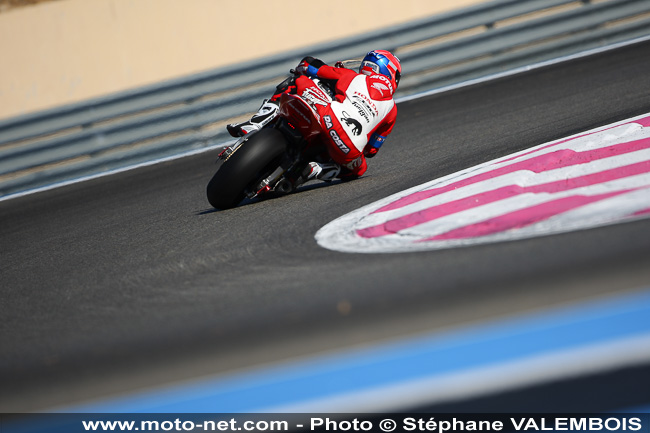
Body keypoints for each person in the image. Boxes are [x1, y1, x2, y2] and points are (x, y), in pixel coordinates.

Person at [227, 50, 401, 182]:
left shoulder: (351, 76)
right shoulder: (392, 109)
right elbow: (371, 151)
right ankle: (320, 169)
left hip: (326, 117)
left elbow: (312, 66)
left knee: (296, 81)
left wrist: (303, 68)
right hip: (347, 147)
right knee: (360, 169)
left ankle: (257, 122)